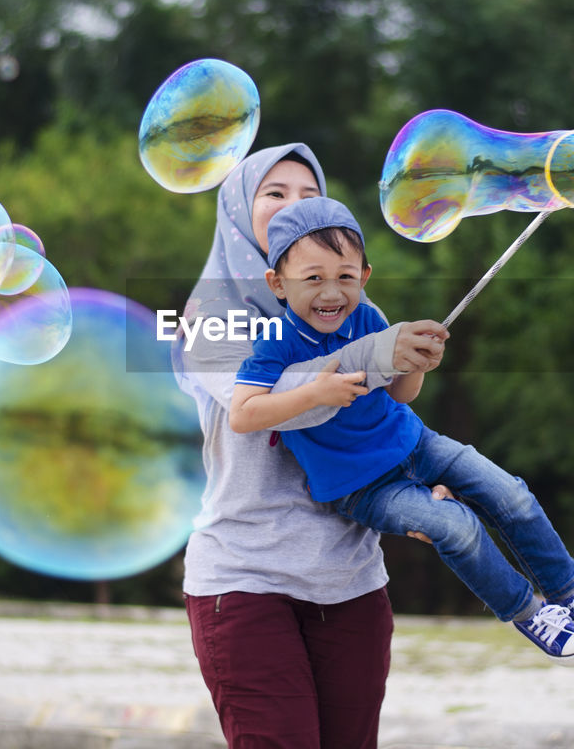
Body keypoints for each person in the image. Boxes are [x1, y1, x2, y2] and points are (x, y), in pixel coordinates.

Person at [229, 196, 574, 667]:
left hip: (417, 443)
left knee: (512, 494)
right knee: (456, 527)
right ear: (278, 284)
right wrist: (316, 393)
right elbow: (243, 414)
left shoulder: (368, 319)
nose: (331, 293)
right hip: (361, 488)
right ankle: (529, 612)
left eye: (345, 277)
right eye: (312, 278)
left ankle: (570, 593)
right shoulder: (274, 341)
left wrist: (419, 363)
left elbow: (401, 395)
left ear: (364, 276)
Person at [173, 143, 449, 749]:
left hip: (350, 580)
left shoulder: (352, 306)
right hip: (244, 579)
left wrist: (414, 494)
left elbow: (378, 422)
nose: (294, 206)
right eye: (274, 194)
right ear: (239, 212)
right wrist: (374, 356)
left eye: (308, 193)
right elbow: (277, 400)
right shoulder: (211, 316)